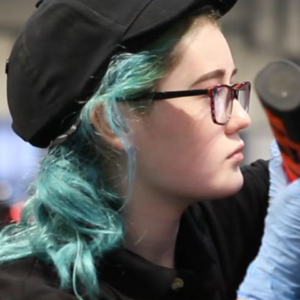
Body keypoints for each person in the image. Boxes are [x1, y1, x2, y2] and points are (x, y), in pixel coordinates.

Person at [0, 0, 300, 300]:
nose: (241, 118)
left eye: (233, 89)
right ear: (112, 122)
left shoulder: (218, 222)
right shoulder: (27, 290)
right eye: (212, 93)